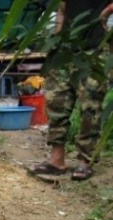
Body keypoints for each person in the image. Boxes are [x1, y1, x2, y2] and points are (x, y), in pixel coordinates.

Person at [27, 1, 113, 181]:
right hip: (65, 50)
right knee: (55, 102)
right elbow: (61, 8)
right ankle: (56, 160)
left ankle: (85, 161)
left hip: (95, 49)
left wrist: (108, 11)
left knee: (90, 106)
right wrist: (55, 43)